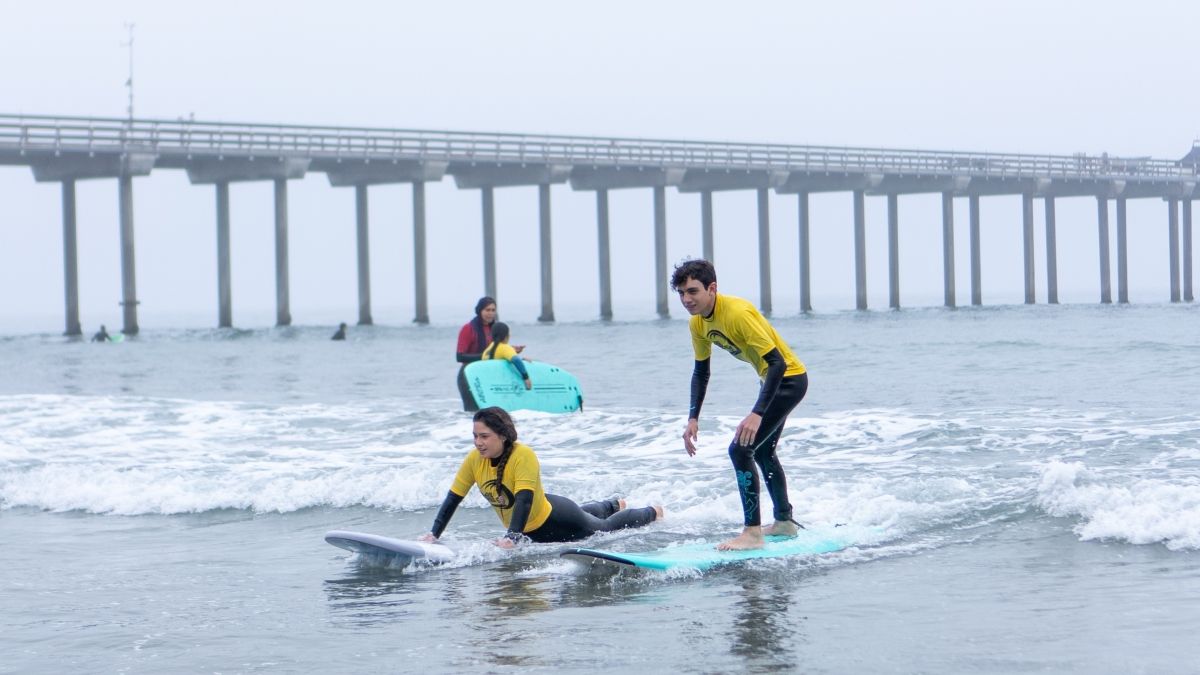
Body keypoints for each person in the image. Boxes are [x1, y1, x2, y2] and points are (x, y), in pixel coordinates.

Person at [670, 258, 809, 551]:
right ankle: (784, 522)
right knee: (762, 451)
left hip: (789, 379)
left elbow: (777, 362)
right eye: (681, 293)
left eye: (693, 291)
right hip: (771, 381)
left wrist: (757, 413)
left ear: (712, 288)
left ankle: (752, 533)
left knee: (740, 448)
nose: (686, 299)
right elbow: (701, 371)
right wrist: (693, 417)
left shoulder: (737, 313)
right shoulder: (697, 324)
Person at [421, 407, 662, 547]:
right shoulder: (474, 459)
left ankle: (653, 511)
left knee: (604, 528)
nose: (478, 442)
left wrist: (512, 537)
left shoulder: (522, 455)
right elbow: (453, 498)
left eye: (484, 436)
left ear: (502, 436)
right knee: (590, 513)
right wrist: (434, 534)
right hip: (537, 517)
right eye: (475, 436)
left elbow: (524, 499)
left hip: (556, 520)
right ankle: (613, 503)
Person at [456, 297, 524, 410]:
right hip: (468, 375)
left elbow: (496, 350)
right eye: (487, 310)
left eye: (493, 310)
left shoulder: (495, 328)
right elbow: (460, 356)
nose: (491, 313)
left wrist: (511, 350)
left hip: (487, 374)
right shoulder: (468, 329)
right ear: (479, 311)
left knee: (493, 412)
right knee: (473, 412)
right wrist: (486, 356)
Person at [481, 322, 531, 390]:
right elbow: (516, 360)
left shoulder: (486, 350)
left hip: (490, 383)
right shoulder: (505, 347)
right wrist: (526, 378)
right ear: (507, 336)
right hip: (501, 384)